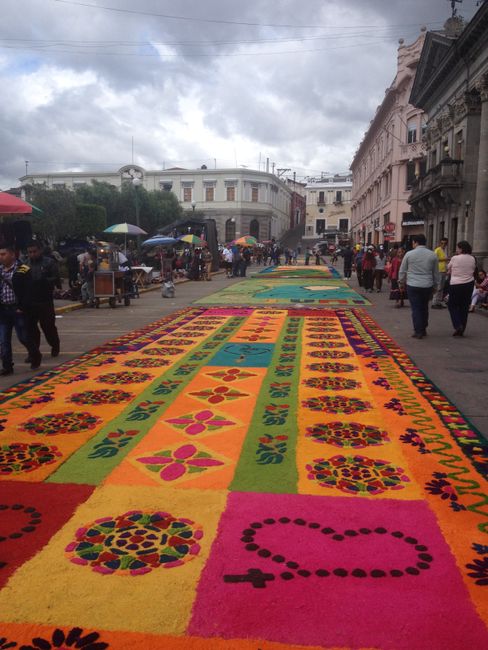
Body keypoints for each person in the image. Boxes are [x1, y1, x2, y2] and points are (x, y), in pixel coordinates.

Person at [0, 246, 42, 374]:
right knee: (3, 340)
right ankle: (7, 366)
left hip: (18, 310)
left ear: (12, 255)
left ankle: (35, 355)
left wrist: (22, 307)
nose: (1, 257)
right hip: (3, 310)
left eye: (3, 254)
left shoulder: (23, 270)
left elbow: (29, 291)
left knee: (23, 337)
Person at [398, 234, 439, 339]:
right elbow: (435, 273)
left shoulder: (409, 254)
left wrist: (401, 283)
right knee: (424, 307)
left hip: (413, 284)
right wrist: (435, 286)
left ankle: (418, 330)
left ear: (415, 242)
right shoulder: (432, 255)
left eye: (413, 242)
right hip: (427, 285)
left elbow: (402, 270)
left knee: (416, 308)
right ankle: (423, 327)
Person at [26, 239, 61, 357]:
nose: (32, 254)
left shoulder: (49, 262)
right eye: (29, 252)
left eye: (34, 251)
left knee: (48, 326)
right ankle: (34, 352)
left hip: (45, 300)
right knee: (31, 328)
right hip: (31, 300)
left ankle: (55, 345)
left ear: (40, 250)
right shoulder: (25, 264)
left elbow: (56, 277)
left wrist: (44, 281)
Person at [447, 240, 476, 336]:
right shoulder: (472, 258)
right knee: (464, 306)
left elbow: (448, 267)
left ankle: (457, 324)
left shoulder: (455, 258)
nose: (457, 250)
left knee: (452, 305)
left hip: (456, 284)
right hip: (469, 284)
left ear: (461, 248)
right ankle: (462, 328)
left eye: (458, 248)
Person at [432, 237, 450, 309]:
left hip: (443, 270)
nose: (443, 245)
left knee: (442, 287)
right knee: (438, 287)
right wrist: (445, 259)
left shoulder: (444, 251)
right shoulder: (438, 250)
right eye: (442, 243)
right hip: (439, 270)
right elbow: (435, 258)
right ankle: (434, 302)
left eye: (445, 243)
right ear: (440, 243)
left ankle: (439, 302)